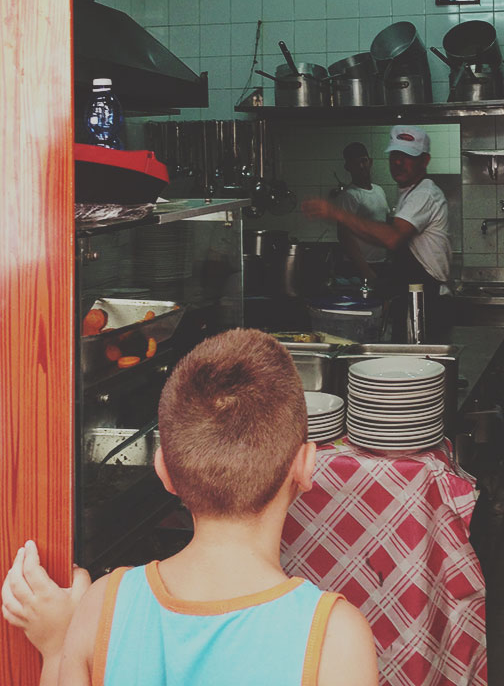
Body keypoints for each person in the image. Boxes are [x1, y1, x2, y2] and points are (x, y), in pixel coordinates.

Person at [1, 329, 379, 686]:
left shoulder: (102, 607)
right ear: (306, 466)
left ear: (163, 470)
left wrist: (56, 648)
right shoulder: (335, 638)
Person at [303, 126, 451, 339]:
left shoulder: (424, 193)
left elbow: (391, 237)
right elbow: (378, 235)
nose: (399, 162)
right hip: (413, 294)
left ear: (425, 161)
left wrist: (336, 212)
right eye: (395, 155)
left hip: (426, 300)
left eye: (408, 156)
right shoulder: (409, 194)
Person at [335, 142, 390, 283]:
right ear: (348, 167)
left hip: (381, 263)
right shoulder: (349, 195)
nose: (361, 166)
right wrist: (365, 270)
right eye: (355, 163)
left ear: (370, 162)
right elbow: (344, 235)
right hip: (359, 268)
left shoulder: (379, 190)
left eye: (363, 161)